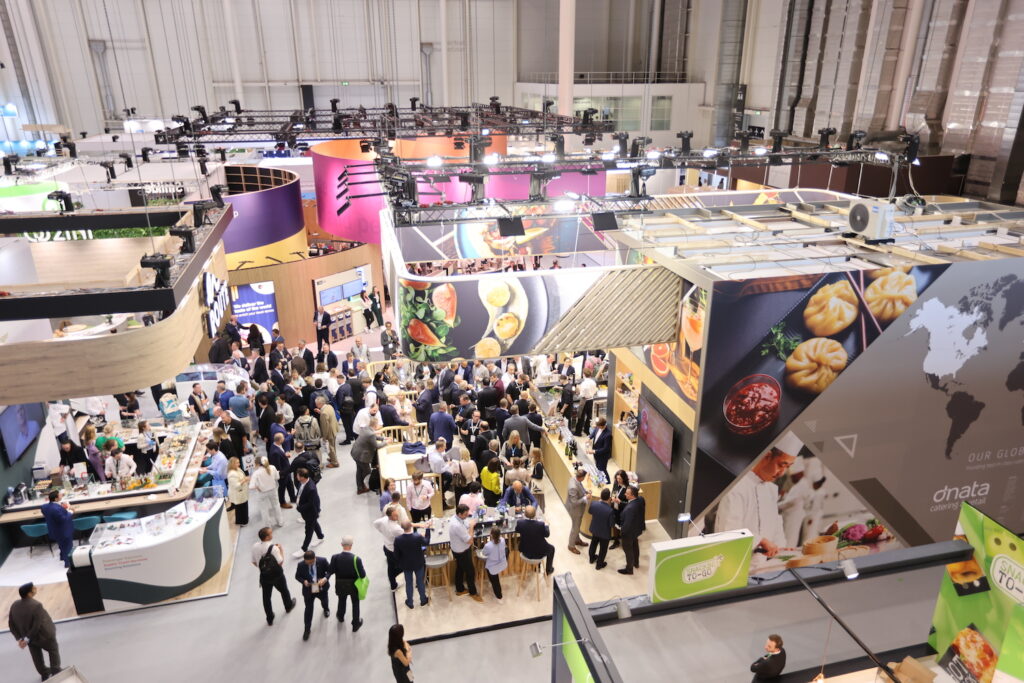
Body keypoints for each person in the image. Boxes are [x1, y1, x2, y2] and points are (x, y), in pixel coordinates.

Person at [714, 432, 801, 558]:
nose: (782, 473)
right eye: (781, 465)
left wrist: (781, 548)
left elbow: (776, 529)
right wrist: (760, 541)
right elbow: (728, 532)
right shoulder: (737, 486)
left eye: (788, 467)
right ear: (767, 456)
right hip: (735, 562)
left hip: (763, 565)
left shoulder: (771, 490)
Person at [8, 582, 62, 679]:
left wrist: (20, 639)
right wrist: (27, 639)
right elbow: (37, 625)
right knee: (53, 650)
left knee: (36, 656)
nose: (35, 588)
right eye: (33, 588)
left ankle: (44, 673)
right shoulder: (36, 605)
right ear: (29, 593)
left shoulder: (14, 605)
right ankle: (56, 671)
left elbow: (11, 624)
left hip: (28, 638)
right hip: (44, 636)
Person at [252, 527, 296, 625]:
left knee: (266, 597)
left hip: (264, 577)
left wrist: (264, 569)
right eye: (271, 533)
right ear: (267, 537)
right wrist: (281, 550)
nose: (272, 534)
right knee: (284, 590)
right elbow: (280, 562)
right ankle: (288, 606)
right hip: (277, 576)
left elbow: (254, 562)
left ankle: (270, 618)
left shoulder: (254, 547)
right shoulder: (274, 548)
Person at [327, 536, 365, 631]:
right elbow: (362, 575)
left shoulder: (335, 557)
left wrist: (325, 578)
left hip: (340, 584)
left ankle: (340, 616)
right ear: (351, 545)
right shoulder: (357, 559)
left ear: (341, 544)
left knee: (342, 600)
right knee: (355, 603)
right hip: (354, 585)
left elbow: (331, 570)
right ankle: (355, 624)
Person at [449, 504, 484, 602]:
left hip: (457, 549)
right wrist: (471, 527)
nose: (467, 516)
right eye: (465, 514)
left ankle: (459, 589)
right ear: (459, 514)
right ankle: (473, 593)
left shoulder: (457, 518)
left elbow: (465, 523)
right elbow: (469, 541)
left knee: (460, 568)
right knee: (470, 572)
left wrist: (470, 524)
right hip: (462, 551)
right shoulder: (456, 525)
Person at [295, 550, 330, 641]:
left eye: (311, 562)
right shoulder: (301, 565)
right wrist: (303, 581)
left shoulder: (322, 561)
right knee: (308, 609)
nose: (309, 564)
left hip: (321, 587)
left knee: (324, 601)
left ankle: (326, 609)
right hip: (308, 590)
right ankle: (307, 629)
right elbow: (297, 576)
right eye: (307, 563)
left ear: (315, 558)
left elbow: (330, 571)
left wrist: (325, 579)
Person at [394, 521, 428, 609]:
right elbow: (426, 542)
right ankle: (423, 600)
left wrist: (400, 562)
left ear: (402, 528)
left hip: (406, 565)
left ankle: (410, 602)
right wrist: (427, 530)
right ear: (411, 526)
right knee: (420, 582)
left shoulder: (398, 539)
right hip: (418, 563)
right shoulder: (418, 537)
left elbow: (396, 555)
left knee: (408, 583)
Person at [373, 505, 405, 591]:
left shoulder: (384, 519)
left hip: (386, 547)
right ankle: (396, 577)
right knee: (403, 565)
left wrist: (382, 532)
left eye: (397, 514)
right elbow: (406, 537)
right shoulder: (395, 528)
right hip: (394, 551)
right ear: (390, 516)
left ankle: (393, 585)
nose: (397, 516)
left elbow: (375, 523)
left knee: (390, 567)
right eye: (395, 515)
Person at [294, 468, 324, 557]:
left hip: (311, 512)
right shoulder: (302, 482)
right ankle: (320, 537)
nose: (296, 476)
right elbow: (300, 492)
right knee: (314, 523)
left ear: (302, 477)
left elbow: (311, 503)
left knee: (308, 530)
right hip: (306, 511)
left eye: (297, 475)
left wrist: (300, 508)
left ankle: (304, 549)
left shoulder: (311, 488)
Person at [516, 506, 555, 575]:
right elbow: (547, 535)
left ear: (524, 514)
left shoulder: (520, 523)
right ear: (535, 514)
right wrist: (546, 526)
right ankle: (548, 570)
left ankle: (537, 567)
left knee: (534, 542)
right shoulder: (541, 524)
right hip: (539, 552)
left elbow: (517, 530)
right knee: (552, 549)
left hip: (525, 550)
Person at [40, 491, 74, 568]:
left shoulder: (44, 507)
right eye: (60, 495)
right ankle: (68, 563)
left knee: (61, 545)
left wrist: (63, 508)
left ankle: (62, 557)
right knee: (68, 547)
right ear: (56, 498)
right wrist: (70, 512)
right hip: (63, 531)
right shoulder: (56, 509)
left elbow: (47, 513)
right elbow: (63, 519)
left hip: (54, 530)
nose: (61, 496)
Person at [618, 485, 646, 575]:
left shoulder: (630, 509)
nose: (625, 494)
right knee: (635, 546)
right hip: (636, 529)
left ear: (633, 495)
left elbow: (627, 524)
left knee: (628, 550)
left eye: (627, 493)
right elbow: (630, 504)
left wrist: (622, 532)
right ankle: (636, 563)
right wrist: (620, 502)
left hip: (628, 533)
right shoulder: (640, 499)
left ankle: (629, 569)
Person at [249, 456, 282, 527]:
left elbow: (251, 486)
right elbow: (277, 477)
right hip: (273, 490)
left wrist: (257, 487)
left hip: (262, 493)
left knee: (264, 510)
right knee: (276, 506)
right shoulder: (272, 467)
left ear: (257, 463)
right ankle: (280, 522)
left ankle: (268, 526)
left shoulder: (256, 473)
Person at [351, 424, 384, 495]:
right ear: (375, 426)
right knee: (367, 472)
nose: (380, 426)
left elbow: (373, 437)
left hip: (356, 453)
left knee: (359, 470)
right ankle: (367, 486)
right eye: (379, 425)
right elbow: (377, 446)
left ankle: (360, 488)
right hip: (361, 457)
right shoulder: (371, 434)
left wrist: (382, 438)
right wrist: (386, 442)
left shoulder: (366, 428)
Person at [588, 489, 615, 569]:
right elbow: (611, 524)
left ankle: (591, 559)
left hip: (595, 529)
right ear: (609, 498)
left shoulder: (594, 503)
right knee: (603, 549)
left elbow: (590, 511)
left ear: (601, 496)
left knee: (593, 544)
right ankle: (599, 565)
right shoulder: (610, 510)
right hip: (604, 533)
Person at [566, 469, 590, 554]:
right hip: (575, 510)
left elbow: (580, 487)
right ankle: (571, 545)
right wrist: (585, 498)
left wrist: (585, 492)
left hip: (577, 509)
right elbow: (574, 502)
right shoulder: (573, 487)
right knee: (575, 528)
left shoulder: (574, 479)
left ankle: (577, 540)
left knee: (577, 526)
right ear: (581, 477)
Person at [481, 526, 508, 600]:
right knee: (495, 578)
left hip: (492, 567)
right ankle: (498, 592)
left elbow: (483, 553)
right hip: (502, 563)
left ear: (491, 535)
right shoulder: (503, 540)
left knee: (495, 580)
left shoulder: (488, 545)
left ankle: (499, 595)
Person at [315, 396, 340, 469]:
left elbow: (325, 426)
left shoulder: (324, 413)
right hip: (334, 428)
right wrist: (320, 412)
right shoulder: (329, 406)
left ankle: (335, 462)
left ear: (319, 404)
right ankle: (333, 458)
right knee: (333, 446)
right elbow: (328, 416)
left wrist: (324, 437)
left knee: (330, 447)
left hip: (329, 432)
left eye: (316, 403)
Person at [573, 368, 598, 436]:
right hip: (591, 400)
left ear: (584, 374)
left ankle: (578, 432)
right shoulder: (593, 382)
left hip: (584, 401)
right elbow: (595, 391)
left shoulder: (584, 383)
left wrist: (578, 393)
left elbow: (582, 394)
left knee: (581, 416)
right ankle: (587, 430)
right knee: (589, 417)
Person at [226, 457, 249, 525]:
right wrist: (245, 480)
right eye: (237, 463)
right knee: (241, 508)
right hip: (238, 493)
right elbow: (236, 485)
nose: (239, 464)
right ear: (232, 464)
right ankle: (242, 522)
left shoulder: (237, 469)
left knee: (243, 507)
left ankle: (244, 519)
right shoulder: (232, 474)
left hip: (242, 492)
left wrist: (244, 479)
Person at [588, 417, 612, 481]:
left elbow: (606, 448)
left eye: (598, 426)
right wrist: (589, 438)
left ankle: (608, 482)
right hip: (596, 454)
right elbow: (594, 433)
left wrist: (594, 451)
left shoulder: (608, 435)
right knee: (598, 467)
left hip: (603, 456)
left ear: (602, 426)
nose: (597, 427)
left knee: (602, 469)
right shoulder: (598, 427)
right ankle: (600, 480)